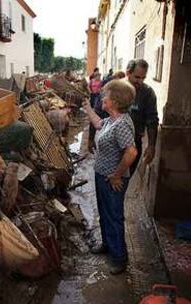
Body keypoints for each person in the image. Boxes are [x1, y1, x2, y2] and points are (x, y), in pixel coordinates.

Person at [82, 80, 138, 275]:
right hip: (102, 176)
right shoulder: (111, 119)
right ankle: (108, 244)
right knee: (105, 213)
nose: (102, 97)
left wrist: (117, 175)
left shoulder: (122, 124)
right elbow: (98, 124)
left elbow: (131, 152)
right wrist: (88, 108)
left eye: (105, 95)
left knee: (114, 216)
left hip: (113, 179)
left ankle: (119, 258)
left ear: (113, 101)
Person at [125, 59, 159, 174]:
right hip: (113, 143)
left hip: (133, 144)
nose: (140, 81)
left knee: (123, 180)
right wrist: (91, 138)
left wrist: (151, 146)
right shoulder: (116, 88)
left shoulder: (148, 93)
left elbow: (152, 120)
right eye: (137, 77)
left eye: (143, 78)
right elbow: (100, 112)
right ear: (128, 73)